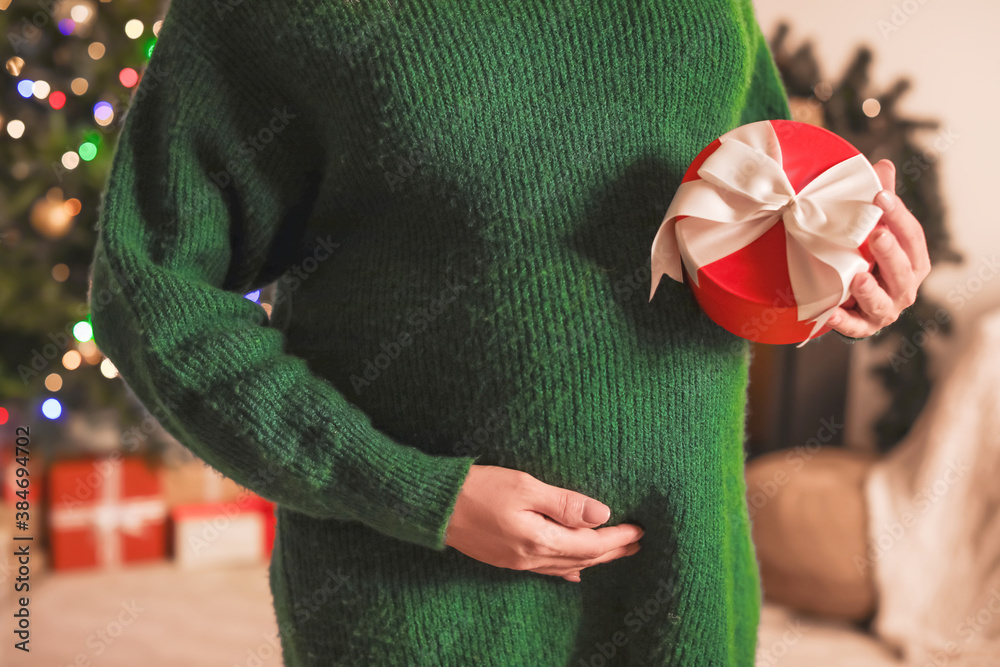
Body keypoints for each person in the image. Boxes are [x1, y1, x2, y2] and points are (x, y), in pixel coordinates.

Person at [87, 0, 929, 664]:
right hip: (420, 602)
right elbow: (149, 286)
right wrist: (416, 494)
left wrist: (843, 276)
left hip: (685, 581)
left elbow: (750, 214)